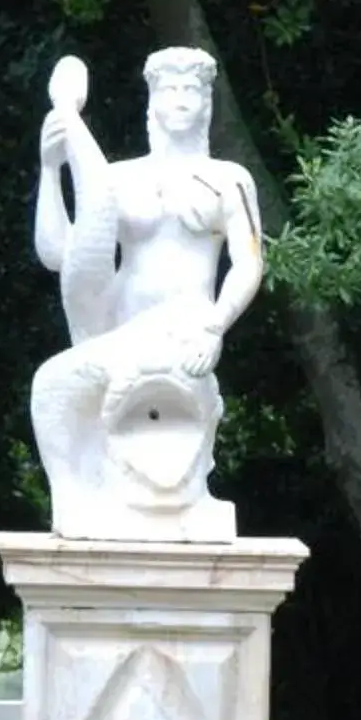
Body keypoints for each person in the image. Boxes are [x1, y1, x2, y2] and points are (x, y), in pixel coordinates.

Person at [30, 48, 263, 534]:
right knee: (50, 388)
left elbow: (248, 263)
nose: (179, 99)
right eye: (168, 89)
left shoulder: (228, 180)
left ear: (206, 103)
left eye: (191, 90)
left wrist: (215, 326)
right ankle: (73, 500)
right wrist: (51, 170)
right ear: (151, 102)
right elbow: (60, 254)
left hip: (184, 336)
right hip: (118, 338)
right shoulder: (118, 178)